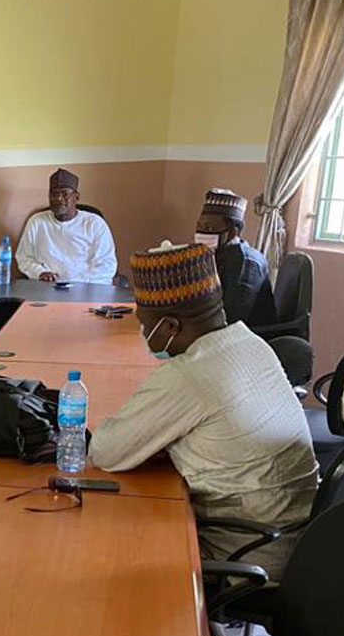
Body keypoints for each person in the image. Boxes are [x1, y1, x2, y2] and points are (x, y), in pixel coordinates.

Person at [89, 243, 317, 580]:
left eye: (144, 321)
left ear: (169, 327)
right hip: (296, 539)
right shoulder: (251, 343)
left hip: (247, 553)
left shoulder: (188, 374)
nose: (141, 331)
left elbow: (106, 452)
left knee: (110, 537)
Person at [14, 168, 117, 283]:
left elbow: (106, 265)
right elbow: (24, 258)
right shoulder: (37, 222)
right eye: (54, 194)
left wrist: (77, 282)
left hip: (86, 289)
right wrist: (40, 272)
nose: (58, 199)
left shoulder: (95, 224)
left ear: (76, 197)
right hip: (47, 288)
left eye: (64, 194)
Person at [194, 188, 277, 328]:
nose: (201, 234)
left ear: (233, 231)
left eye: (209, 228)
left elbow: (231, 318)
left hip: (249, 337)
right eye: (199, 227)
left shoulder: (247, 264)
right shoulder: (217, 253)